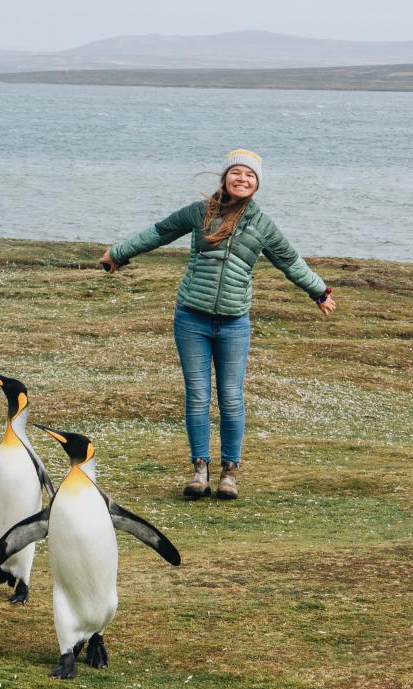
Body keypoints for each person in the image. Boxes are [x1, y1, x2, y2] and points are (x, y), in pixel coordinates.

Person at [99, 149, 337, 501]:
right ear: (225, 177)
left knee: (230, 397)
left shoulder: (262, 226)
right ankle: (199, 470)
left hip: (234, 323)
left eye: (250, 176)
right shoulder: (200, 213)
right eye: (237, 173)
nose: (243, 179)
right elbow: (160, 232)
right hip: (191, 318)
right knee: (197, 396)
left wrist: (319, 291)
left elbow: (290, 261)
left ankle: (229, 473)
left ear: (257, 184)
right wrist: (118, 253)